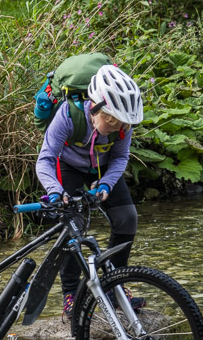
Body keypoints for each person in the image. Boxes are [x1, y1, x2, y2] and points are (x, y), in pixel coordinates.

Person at [34, 64, 144, 318]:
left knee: (127, 218)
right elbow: (45, 159)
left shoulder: (124, 125)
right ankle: (71, 294)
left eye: (121, 124)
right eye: (111, 121)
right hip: (68, 165)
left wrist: (106, 184)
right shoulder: (67, 115)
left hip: (102, 167)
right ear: (95, 108)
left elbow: (120, 157)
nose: (117, 128)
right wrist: (55, 191)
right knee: (73, 224)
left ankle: (115, 284)